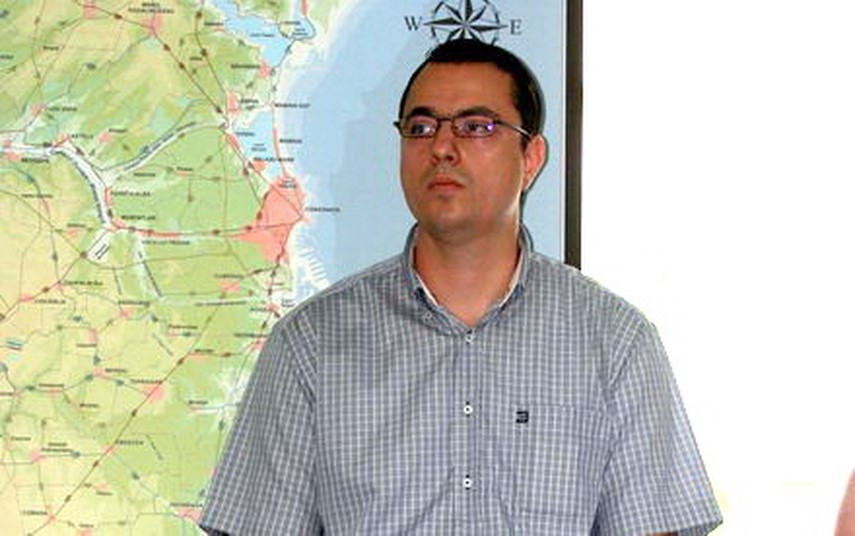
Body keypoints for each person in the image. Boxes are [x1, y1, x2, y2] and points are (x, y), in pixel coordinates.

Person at [200, 38, 722, 535]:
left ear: (531, 158)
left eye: (476, 126)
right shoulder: (312, 345)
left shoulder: (614, 340)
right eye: (421, 128)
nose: (442, 148)